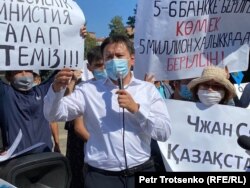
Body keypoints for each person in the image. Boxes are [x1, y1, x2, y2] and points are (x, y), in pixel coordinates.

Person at [43, 35, 172, 188]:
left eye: (119, 56)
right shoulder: (88, 90)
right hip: (101, 176)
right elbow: (53, 115)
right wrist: (56, 90)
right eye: (109, 57)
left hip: (142, 169)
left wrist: (137, 110)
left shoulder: (147, 90)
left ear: (132, 59)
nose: (114, 61)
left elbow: (164, 132)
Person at [33, 70, 61, 153]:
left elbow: (53, 122)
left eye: (34, 78)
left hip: (45, 147)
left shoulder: (45, 98)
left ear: (39, 80)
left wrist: (57, 143)